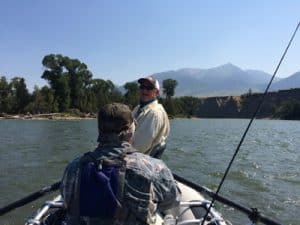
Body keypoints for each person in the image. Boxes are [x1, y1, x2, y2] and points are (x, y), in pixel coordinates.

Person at [60, 103, 180, 225]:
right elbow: (172, 200)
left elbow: (66, 199)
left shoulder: (74, 167)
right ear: (131, 131)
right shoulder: (153, 168)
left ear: (100, 130)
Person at [132, 76, 170, 157]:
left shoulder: (155, 113)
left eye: (149, 88)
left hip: (139, 160)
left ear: (156, 92)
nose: (144, 90)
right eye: (142, 87)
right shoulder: (138, 108)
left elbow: (140, 147)